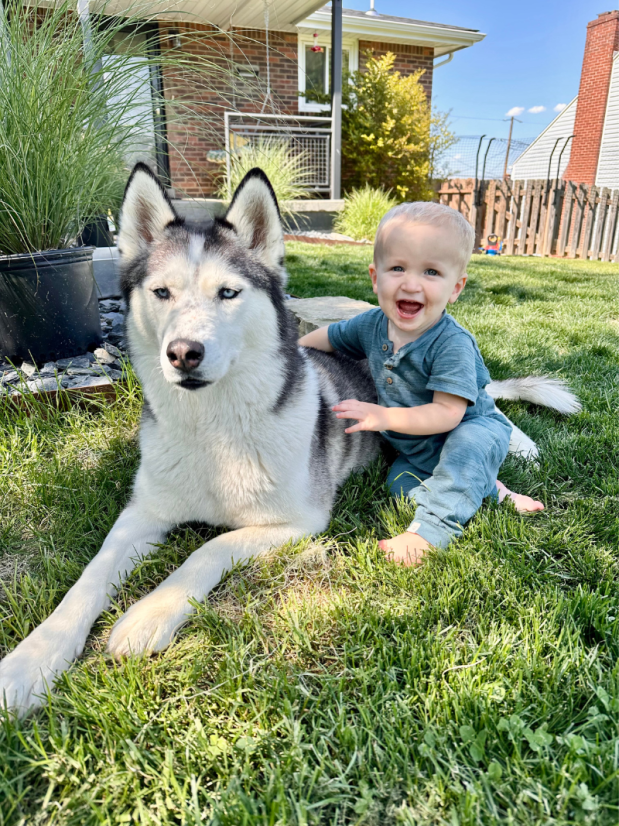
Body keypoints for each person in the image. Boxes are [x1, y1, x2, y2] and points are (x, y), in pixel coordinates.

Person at [298, 202, 543, 567]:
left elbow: (447, 414)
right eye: (397, 268)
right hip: (417, 447)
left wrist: (386, 416)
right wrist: (288, 354)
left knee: (463, 454)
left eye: (431, 271)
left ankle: (429, 533)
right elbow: (329, 337)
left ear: (455, 287)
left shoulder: (452, 344)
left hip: (469, 430)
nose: (411, 283)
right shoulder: (371, 325)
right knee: (399, 487)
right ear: (375, 277)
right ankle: (490, 490)